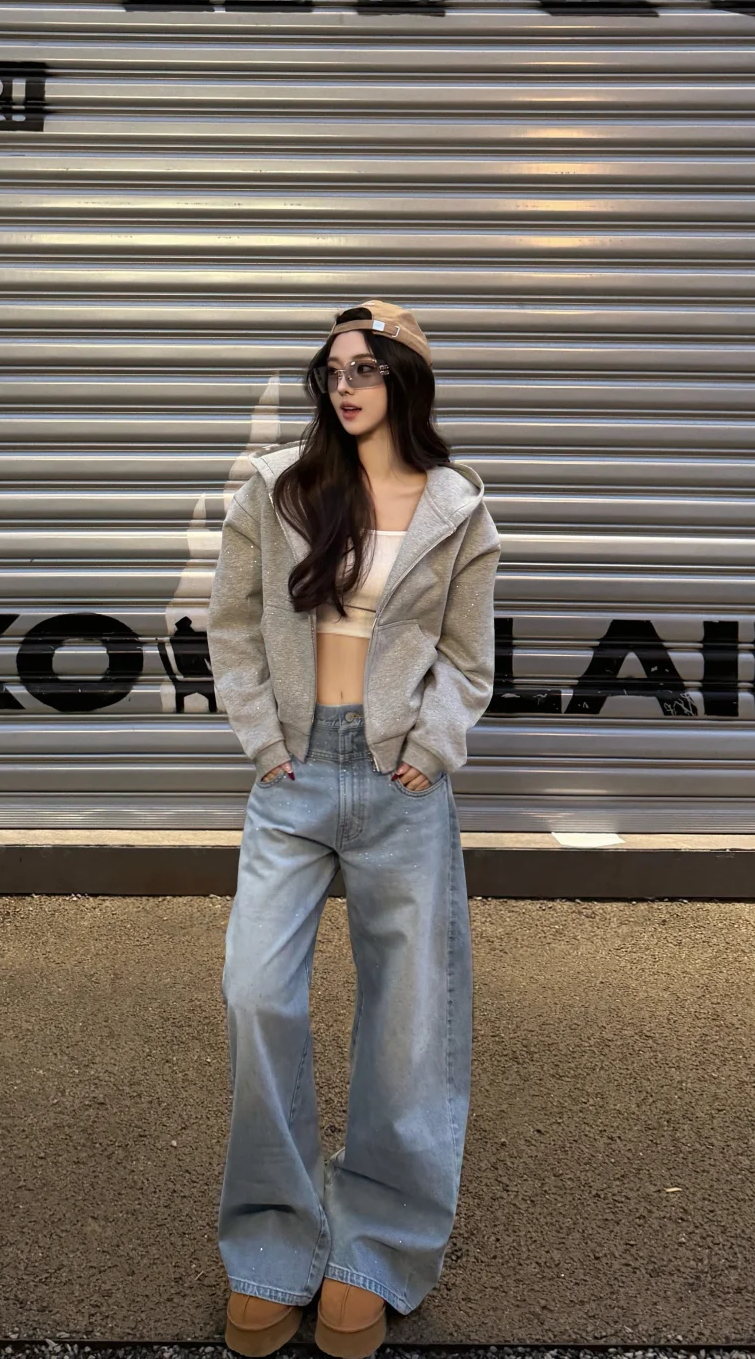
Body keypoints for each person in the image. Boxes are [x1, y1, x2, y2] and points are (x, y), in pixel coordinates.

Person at [205, 300, 501, 1359]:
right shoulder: (279, 487)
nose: (345, 385)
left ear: (406, 379)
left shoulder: (459, 507)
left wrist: (432, 747)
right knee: (256, 993)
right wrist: (262, 741)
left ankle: (373, 1242)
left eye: (366, 367)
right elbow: (233, 626)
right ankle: (273, 1238)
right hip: (293, 773)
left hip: (398, 783)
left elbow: (467, 655)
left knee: (409, 1023)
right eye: (332, 370)